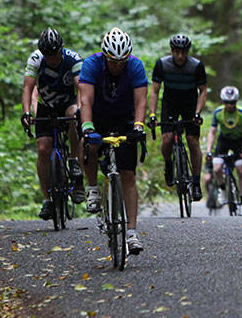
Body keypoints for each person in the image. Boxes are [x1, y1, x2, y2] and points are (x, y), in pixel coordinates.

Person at [78, 28, 149, 254]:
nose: (117, 65)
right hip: (98, 115)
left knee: (128, 174)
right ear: (105, 57)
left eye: (122, 61)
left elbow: (141, 101)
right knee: (87, 143)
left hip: (125, 118)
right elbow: (85, 100)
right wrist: (88, 127)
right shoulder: (91, 65)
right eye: (112, 61)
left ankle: (131, 233)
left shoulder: (135, 66)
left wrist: (138, 126)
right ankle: (92, 189)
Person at [21, 28, 85, 221]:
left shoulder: (72, 59)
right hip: (45, 106)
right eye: (47, 55)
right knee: (43, 149)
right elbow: (28, 87)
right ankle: (47, 199)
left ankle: (74, 161)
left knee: (73, 116)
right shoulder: (35, 59)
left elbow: (81, 88)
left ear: (61, 50)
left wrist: (82, 110)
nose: (51, 59)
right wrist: (26, 112)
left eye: (55, 55)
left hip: (67, 102)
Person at [148, 33, 208, 201]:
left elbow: (203, 91)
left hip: (190, 104)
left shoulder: (196, 66)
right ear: (172, 50)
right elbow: (154, 91)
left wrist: (197, 112)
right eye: (176, 52)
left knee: (192, 140)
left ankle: (196, 183)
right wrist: (152, 114)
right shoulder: (162, 64)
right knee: (166, 139)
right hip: (170, 104)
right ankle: (169, 164)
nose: (180, 56)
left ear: (188, 51)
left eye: (183, 52)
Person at [204, 86, 242, 215]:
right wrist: (209, 150)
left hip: (238, 143)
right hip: (223, 142)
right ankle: (223, 190)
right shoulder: (218, 113)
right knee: (217, 169)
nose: (229, 105)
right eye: (227, 103)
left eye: (232, 103)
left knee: (241, 171)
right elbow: (212, 132)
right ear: (223, 102)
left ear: (236, 102)